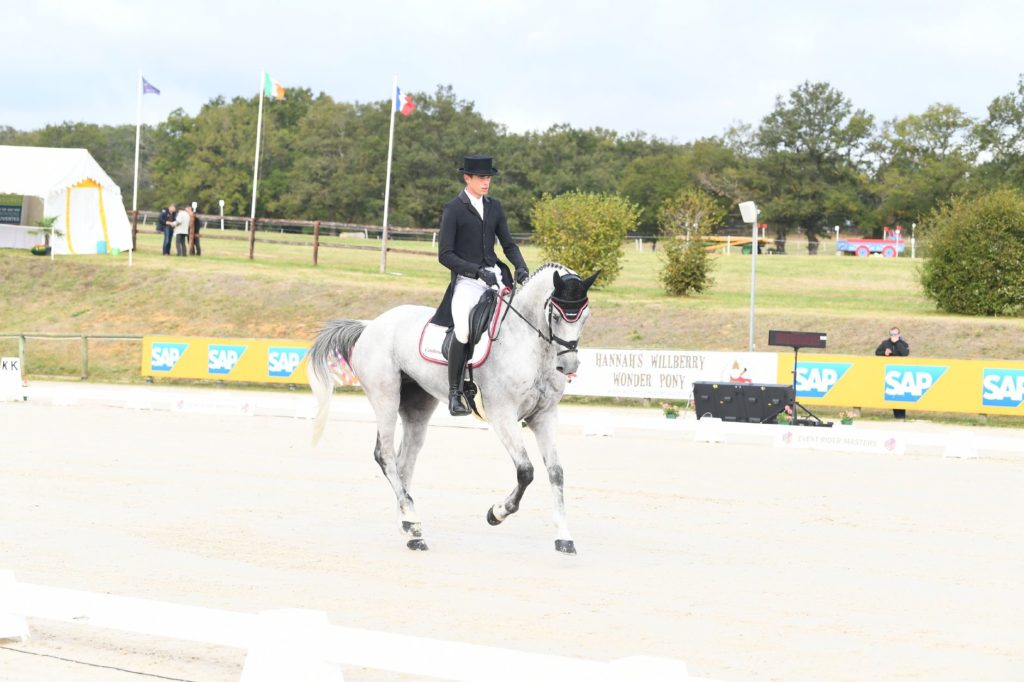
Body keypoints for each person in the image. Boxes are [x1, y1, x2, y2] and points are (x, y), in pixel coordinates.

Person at [431, 154, 530, 416]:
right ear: (468, 178)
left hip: (496, 276)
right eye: (481, 178)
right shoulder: (454, 209)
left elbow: (508, 244)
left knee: (517, 323)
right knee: (463, 329)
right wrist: (475, 271)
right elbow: (445, 255)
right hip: (467, 281)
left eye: (488, 178)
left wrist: (520, 266)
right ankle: (455, 392)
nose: (486, 182)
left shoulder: (494, 207)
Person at [875, 326, 910, 419]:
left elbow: (905, 353)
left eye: (895, 334)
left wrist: (897, 342)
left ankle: (900, 416)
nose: (893, 336)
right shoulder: (885, 343)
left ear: (899, 335)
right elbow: (877, 352)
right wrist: (884, 353)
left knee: (899, 395)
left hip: (900, 372)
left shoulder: (903, 343)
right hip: (888, 372)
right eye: (891, 334)